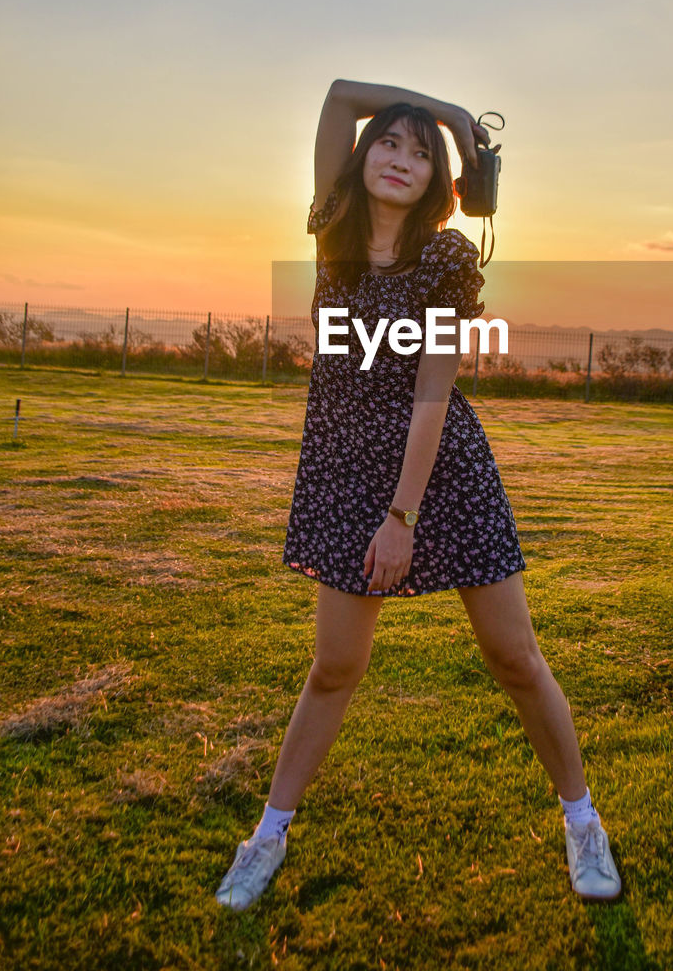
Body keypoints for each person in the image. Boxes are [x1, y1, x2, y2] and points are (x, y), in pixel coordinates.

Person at [215, 79, 622, 911]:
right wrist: (444, 114)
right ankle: (267, 837)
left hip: (439, 469)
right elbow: (334, 98)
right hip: (342, 465)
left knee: (513, 657)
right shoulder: (333, 228)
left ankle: (582, 823)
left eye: (420, 153)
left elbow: (434, 389)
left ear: (443, 179)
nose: (401, 158)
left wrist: (402, 516)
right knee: (335, 667)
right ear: (364, 159)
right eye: (390, 143)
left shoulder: (444, 256)